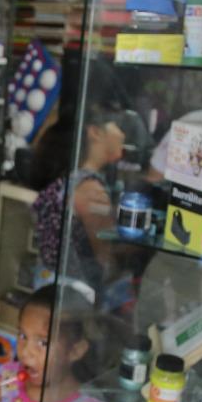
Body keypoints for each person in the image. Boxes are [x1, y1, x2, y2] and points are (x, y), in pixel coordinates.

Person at [29, 112, 125, 292]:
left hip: (48, 284)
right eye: (117, 124)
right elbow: (105, 254)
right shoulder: (90, 189)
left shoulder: (67, 180)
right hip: (74, 293)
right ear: (95, 132)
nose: (122, 133)